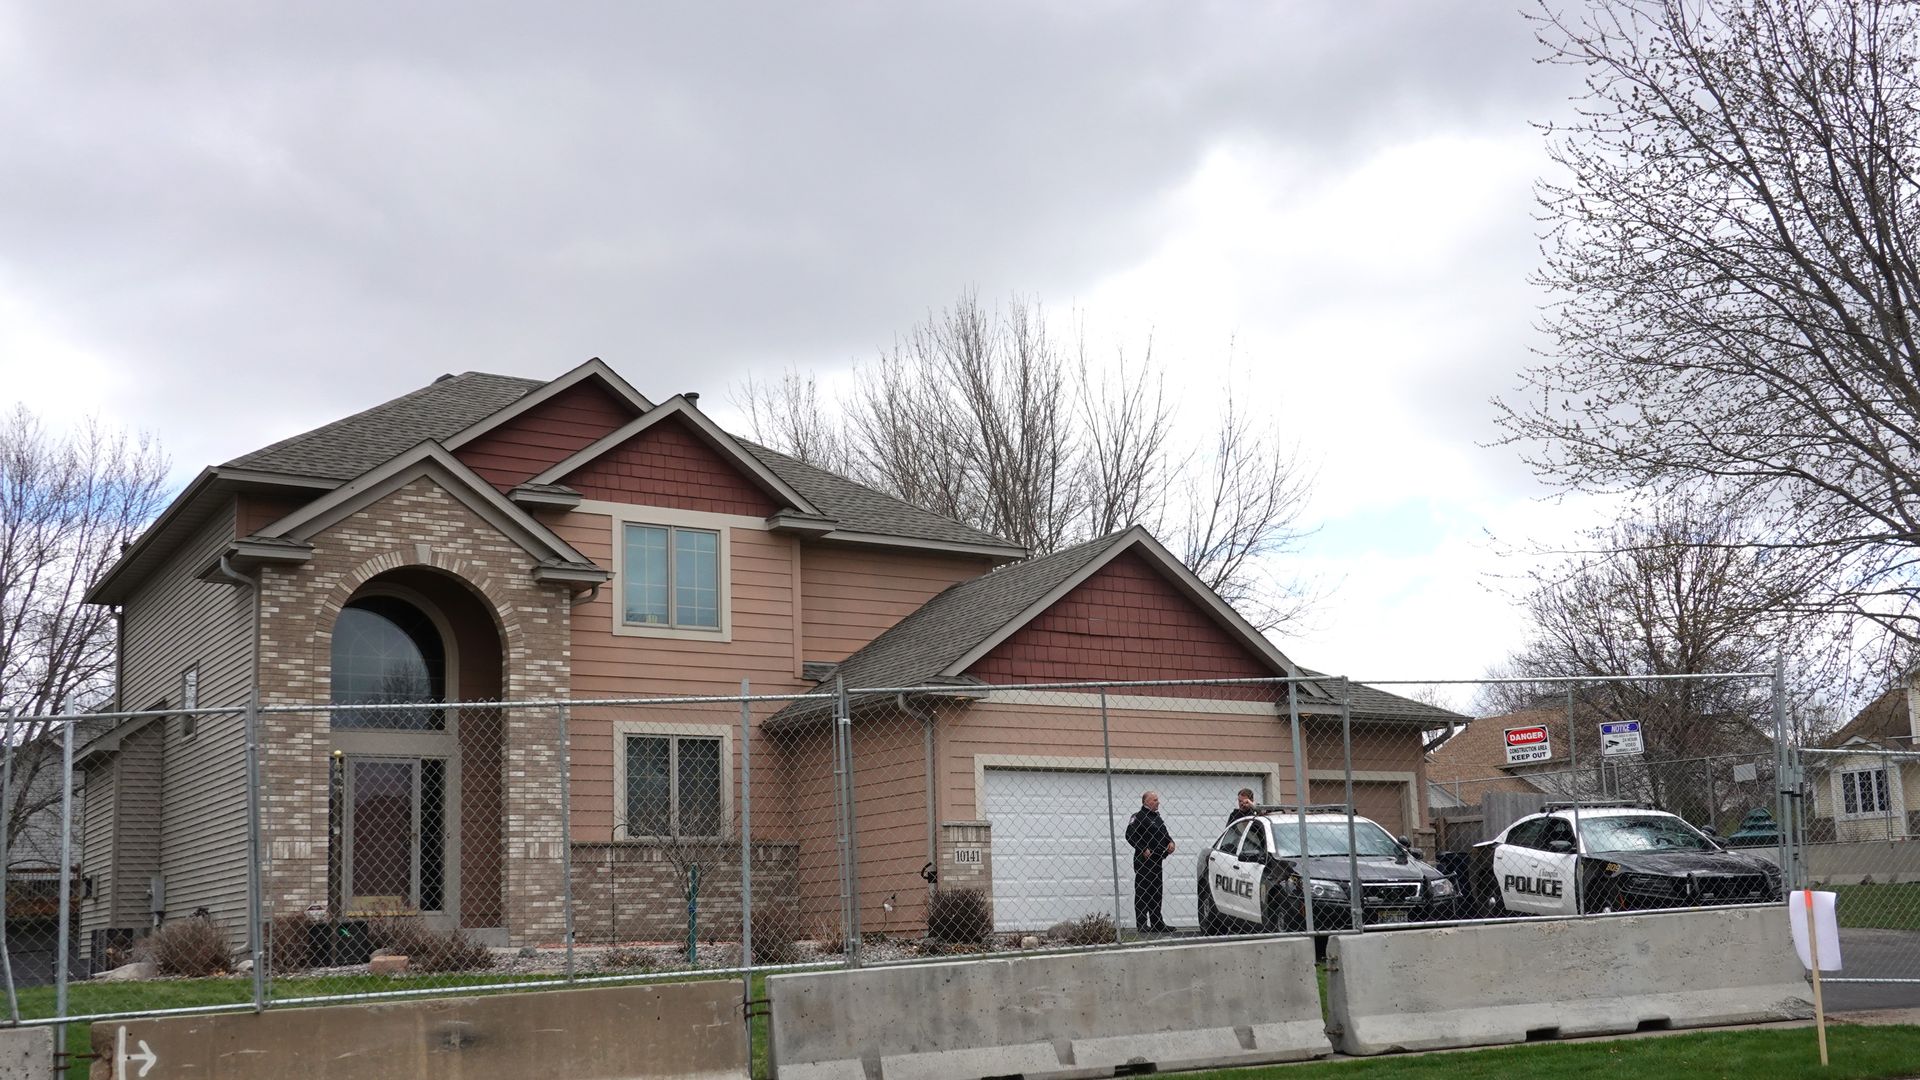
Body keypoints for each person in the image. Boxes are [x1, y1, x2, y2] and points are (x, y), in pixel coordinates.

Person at [1125, 791, 1175, 933]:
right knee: (1143, 892)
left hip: (1157, 860)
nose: (1158, 802)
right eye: (1154, 800)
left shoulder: (1157, 818)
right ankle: (1142, 924)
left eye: (1157, 799)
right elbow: (1129, 835)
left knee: (1156, 892)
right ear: (1146, 802)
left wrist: (1171, 843)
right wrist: (1142, 849)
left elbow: (1165, 835)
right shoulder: (1138, 817)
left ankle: (1157, 923)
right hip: (1144, 862)